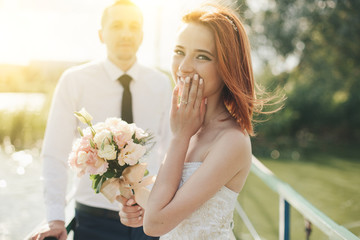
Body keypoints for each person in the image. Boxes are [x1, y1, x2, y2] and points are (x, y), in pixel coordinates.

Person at [31, 0, 172, 239]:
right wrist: (55, 217)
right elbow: (55, 153)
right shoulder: (75, 81)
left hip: (150, 219)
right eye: (116, 25)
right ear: (101, 34)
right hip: (94, 221)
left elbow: (169, 150)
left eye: (133, 26)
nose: (126, 33)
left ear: (142, 35)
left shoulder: (161, 83)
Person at [141, 4, 280, 239]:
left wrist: (180, 137)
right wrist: (137, 204)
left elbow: (155, 224)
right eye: (179, 51)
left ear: (227, 65)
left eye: (202, 56)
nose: (184, 67)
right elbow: (165, 201)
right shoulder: (186, 124)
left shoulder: (231, 140)